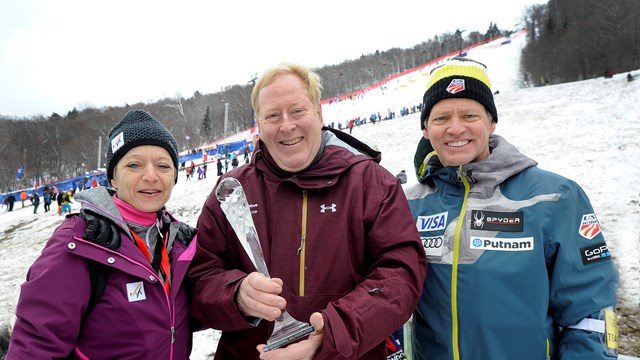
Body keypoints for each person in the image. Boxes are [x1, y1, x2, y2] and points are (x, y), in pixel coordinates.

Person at [188, 63, 425, 360]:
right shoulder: (231, 192)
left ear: (318, 113)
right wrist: (235, 295)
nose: (287, 126)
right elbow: (198, 280)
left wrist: (334, 332)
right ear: (259, 124)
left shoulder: (371, 183)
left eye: (297, 111)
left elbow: (400, 276)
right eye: (273, 115)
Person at [406, 57, 619, 359]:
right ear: (426, 129)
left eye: (469, 115)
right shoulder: (408, 205)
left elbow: (590, 310)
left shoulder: (554, 198)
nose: (455, 128)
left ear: (491, 122)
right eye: (441, 118)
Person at [7, 109, 197, 359]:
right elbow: (36, 346)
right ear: (113, 178)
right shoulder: (78, 241)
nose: (151, 176)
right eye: (134, 165)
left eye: (163, 165)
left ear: (174, 177)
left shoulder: (181, 242)